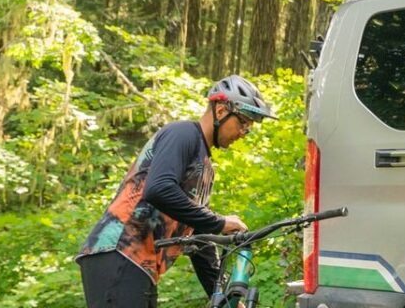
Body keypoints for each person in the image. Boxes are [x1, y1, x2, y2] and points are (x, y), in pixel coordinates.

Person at [74, 76, 275, 307]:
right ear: (221, 110)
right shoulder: (183, 133)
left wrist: (224, 298)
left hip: (141, 267)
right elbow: (158, 189)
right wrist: (219, 222)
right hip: (118, 253)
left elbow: (200, 240)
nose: (244, 132)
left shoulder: (206, 170)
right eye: (243, 123)